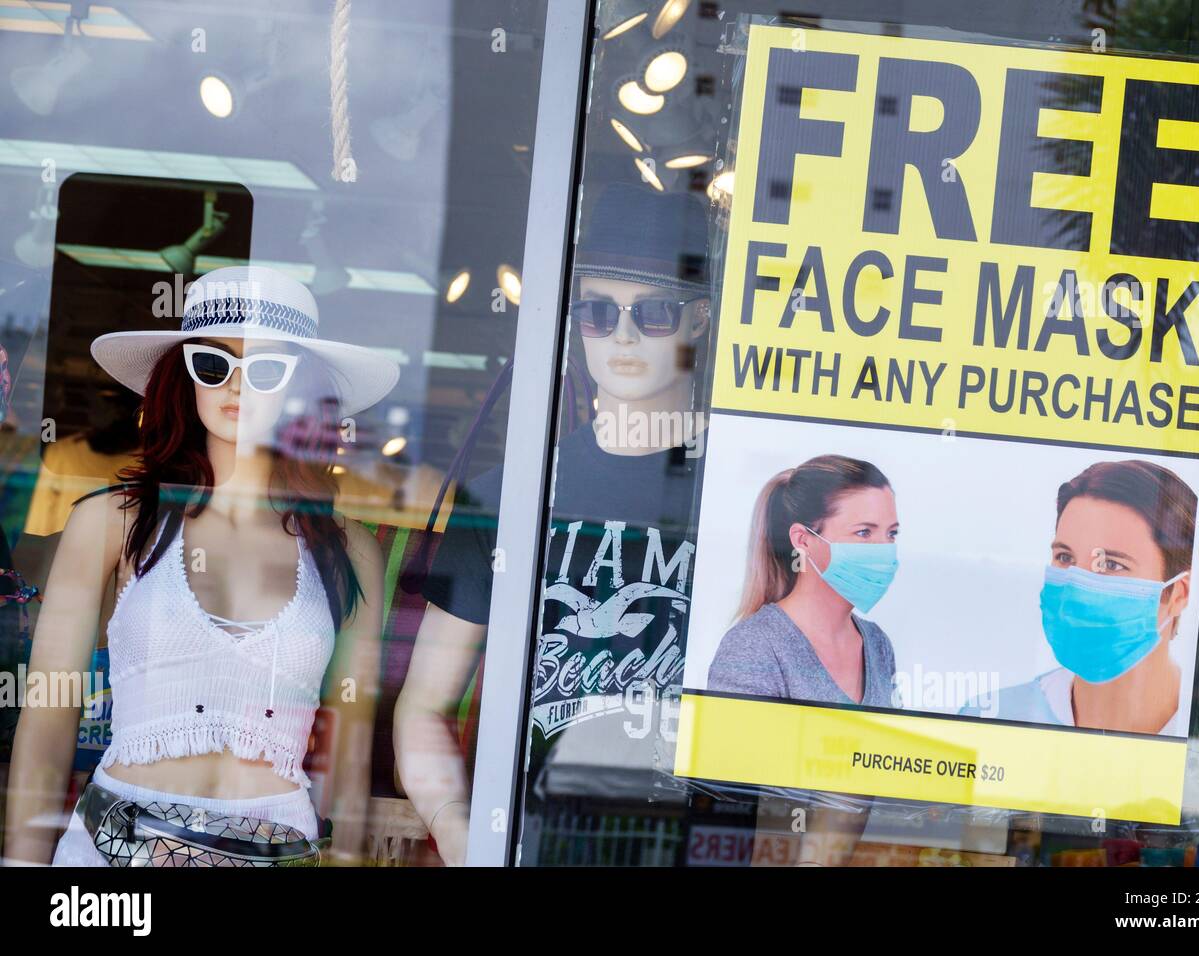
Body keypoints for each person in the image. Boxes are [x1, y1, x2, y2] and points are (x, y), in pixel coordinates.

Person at [5, 266, 396, 865]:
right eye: (213, 365)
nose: (236, 387)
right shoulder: (115, 521)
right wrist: (22, 863)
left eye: (265, 369)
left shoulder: (349, 551)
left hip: (278, 846)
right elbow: (51, 711)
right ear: (183, 378)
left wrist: (344, 858)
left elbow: (351, 739)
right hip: (116, 851)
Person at [394, 182, 711, 865]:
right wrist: (459, 829)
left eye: (652, 312)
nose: (622, 334)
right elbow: (422, 705)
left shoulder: (740, 501)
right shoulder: (506, 497)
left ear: (700, 321)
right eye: (598, 311)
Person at [962, 459, 1196, 736]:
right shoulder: (992, 719)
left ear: (1178, 593)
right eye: (1065, 557)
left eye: (1110, 564)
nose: (1077, 587)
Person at [707, 455, 899, 706]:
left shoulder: (877, 644)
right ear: (803, 540)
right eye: (863, 532)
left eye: (892, 533)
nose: (884, 549)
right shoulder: (754, 647)